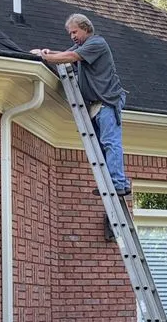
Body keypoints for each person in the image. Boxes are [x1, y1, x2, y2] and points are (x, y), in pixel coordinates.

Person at [30, 14, 131, 195]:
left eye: (74, 32)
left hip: (107, 101)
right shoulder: (82, 47)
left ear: (85, 28)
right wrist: (45, 52)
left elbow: (70, 56)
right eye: (70, 34)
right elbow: (65, 53)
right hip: (95, 104)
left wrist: (45, 57)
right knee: (100, 146)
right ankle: (115, 182)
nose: (72, 36)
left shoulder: (97, 43)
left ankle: (118, 183)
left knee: (110, 142)